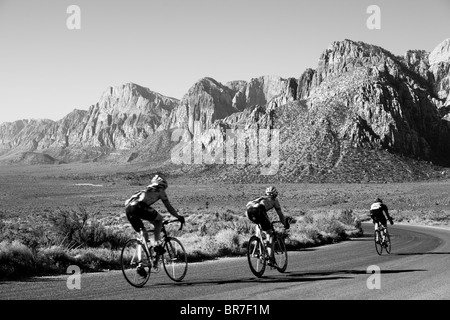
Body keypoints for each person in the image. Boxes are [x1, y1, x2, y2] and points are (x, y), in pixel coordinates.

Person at [124, 174, 185, 276]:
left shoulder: (146, 189)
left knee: (143, 234)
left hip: (129, 208)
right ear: (163, 185)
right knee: (159, 220)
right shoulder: (160, 190)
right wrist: (178, 217)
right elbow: (169, 208)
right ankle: (156, 244)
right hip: (139, 207)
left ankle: (141, 264)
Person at [246, 186, 294, 265]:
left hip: (249, 210)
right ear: (275, 194)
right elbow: (281, 216)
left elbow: (248, 205)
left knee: (259, 226)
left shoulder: (260, 198)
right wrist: (285, 224)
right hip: (259, 210)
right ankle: (270, 258)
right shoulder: (275, 200)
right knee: (269, 234)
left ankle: (256, 248)